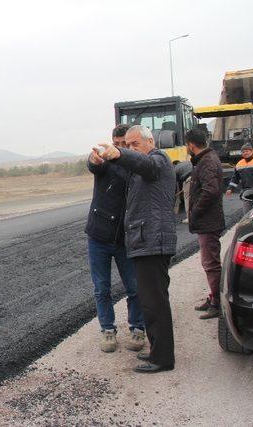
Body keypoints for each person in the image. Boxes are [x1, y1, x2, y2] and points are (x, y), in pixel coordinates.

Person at [94, 125, 176, 374]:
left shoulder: (158, 159)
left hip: (153, 242)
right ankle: (158, 351)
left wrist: (119, 154)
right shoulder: (141, 164)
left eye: (134, 144)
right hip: (145, 242)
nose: (130, 148)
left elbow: (145, 166)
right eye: (126, 145)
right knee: (150, 303)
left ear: (150, 141)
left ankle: (163, 358)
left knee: (155, 303)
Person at [85, 123, 145, 353]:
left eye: (125, 145)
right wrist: (93, 159)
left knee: (134, 287)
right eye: (116, 144)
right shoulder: (104, 163)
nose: (119, 150)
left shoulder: (136, 166)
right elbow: (93, 164)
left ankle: (137, 328)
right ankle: (107, 331)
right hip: (99, 236)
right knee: (102, 288)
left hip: (125, 239)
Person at [185, 129, 225, 320]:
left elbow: (210, 191)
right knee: (208, 262)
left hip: (209, 222)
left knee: (211, 264)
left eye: (187, 145)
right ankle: (213, 296)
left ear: (191, 145)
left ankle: (217, 303)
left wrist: (194, 212)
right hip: (207, 221)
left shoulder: (207, 161)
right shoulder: (206, 159)